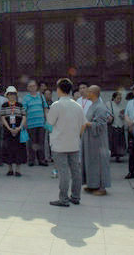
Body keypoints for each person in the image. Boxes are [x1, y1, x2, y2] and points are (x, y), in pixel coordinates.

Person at [46, 79, 86, 207]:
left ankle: (63, 198)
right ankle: (75, 196)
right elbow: (83, 124)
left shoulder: (56, 105)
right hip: (74, 143)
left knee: (63, 172)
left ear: (59, 89)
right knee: (75, 171)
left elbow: (49, 124)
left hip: (59, 144)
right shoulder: (77, 105)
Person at [81, 86, 112, 196]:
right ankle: (92, 184)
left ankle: (102, 187)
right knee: (90, 162)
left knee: (99, 163)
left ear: (93, 93)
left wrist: (86, 123)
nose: (86, 93)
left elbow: (101, 125)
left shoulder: (100, 107)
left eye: (88, 91)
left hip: (98, 140)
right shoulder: (92, 105)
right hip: (90, 139)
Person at [0, 86, 27, 176]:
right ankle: (10, 169)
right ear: (7, 95)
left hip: (18, 129)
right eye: (10, 94)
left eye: (14, 94)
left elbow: (24, 116)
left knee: (19, 149)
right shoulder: (4, 105)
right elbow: (2, 117)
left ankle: (18, 170)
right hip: (8, 130)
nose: (12, 96)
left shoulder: (20, 105)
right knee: (8, 149)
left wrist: (19, 127)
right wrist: (9, 128)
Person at [22, 80, 49, 166]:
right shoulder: (26, 98)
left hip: (41, 123)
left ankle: (41, 159)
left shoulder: (41, 96)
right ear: (27, 88)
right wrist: (24, 122)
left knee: (41, 142)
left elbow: (45, 108)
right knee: (31, 143)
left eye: (33, 86)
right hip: (30, 123)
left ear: (36, 87)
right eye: (30, 86)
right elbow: (24, 111)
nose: (32, 87)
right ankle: (31, 160)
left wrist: (47, 119)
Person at [107, 91, 127, 162]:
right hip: (113, 125)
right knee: (113, 141)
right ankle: (114, 154)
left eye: (120, 98)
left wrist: (122, 115)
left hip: (120, 124)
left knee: (120, 141)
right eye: (118, 98)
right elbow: (107, 113)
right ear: (113, 98)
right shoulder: (109, 104)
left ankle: (119, 155)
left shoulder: (121, 105)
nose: (119, 100)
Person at [124, 90, 134, 179]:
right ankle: (131, 171)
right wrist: (129, 123)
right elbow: (126, 114)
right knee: (132, 152)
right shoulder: (130, 103)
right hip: (131, 129)